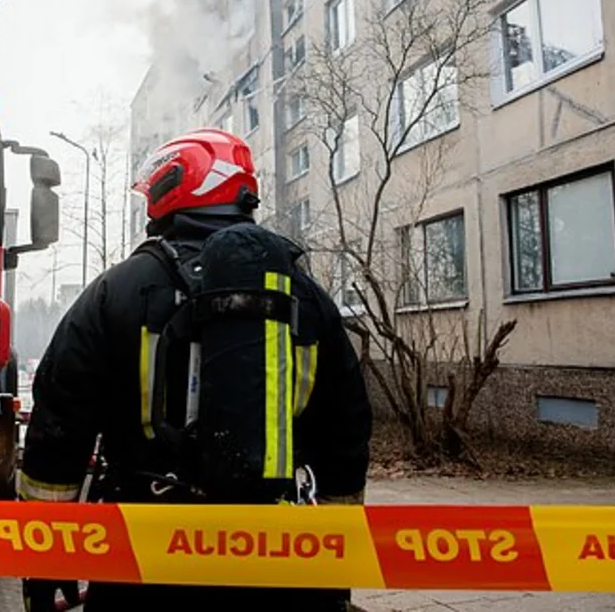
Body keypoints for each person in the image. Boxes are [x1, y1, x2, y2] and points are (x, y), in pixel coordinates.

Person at [19, 128, 372, 612]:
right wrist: (335, 561)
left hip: (143, 552)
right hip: (275, 553)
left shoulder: (117, 290)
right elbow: (345, 432)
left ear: (172, 187)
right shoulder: (304, 296)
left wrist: (45, 557)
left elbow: (58, 430)